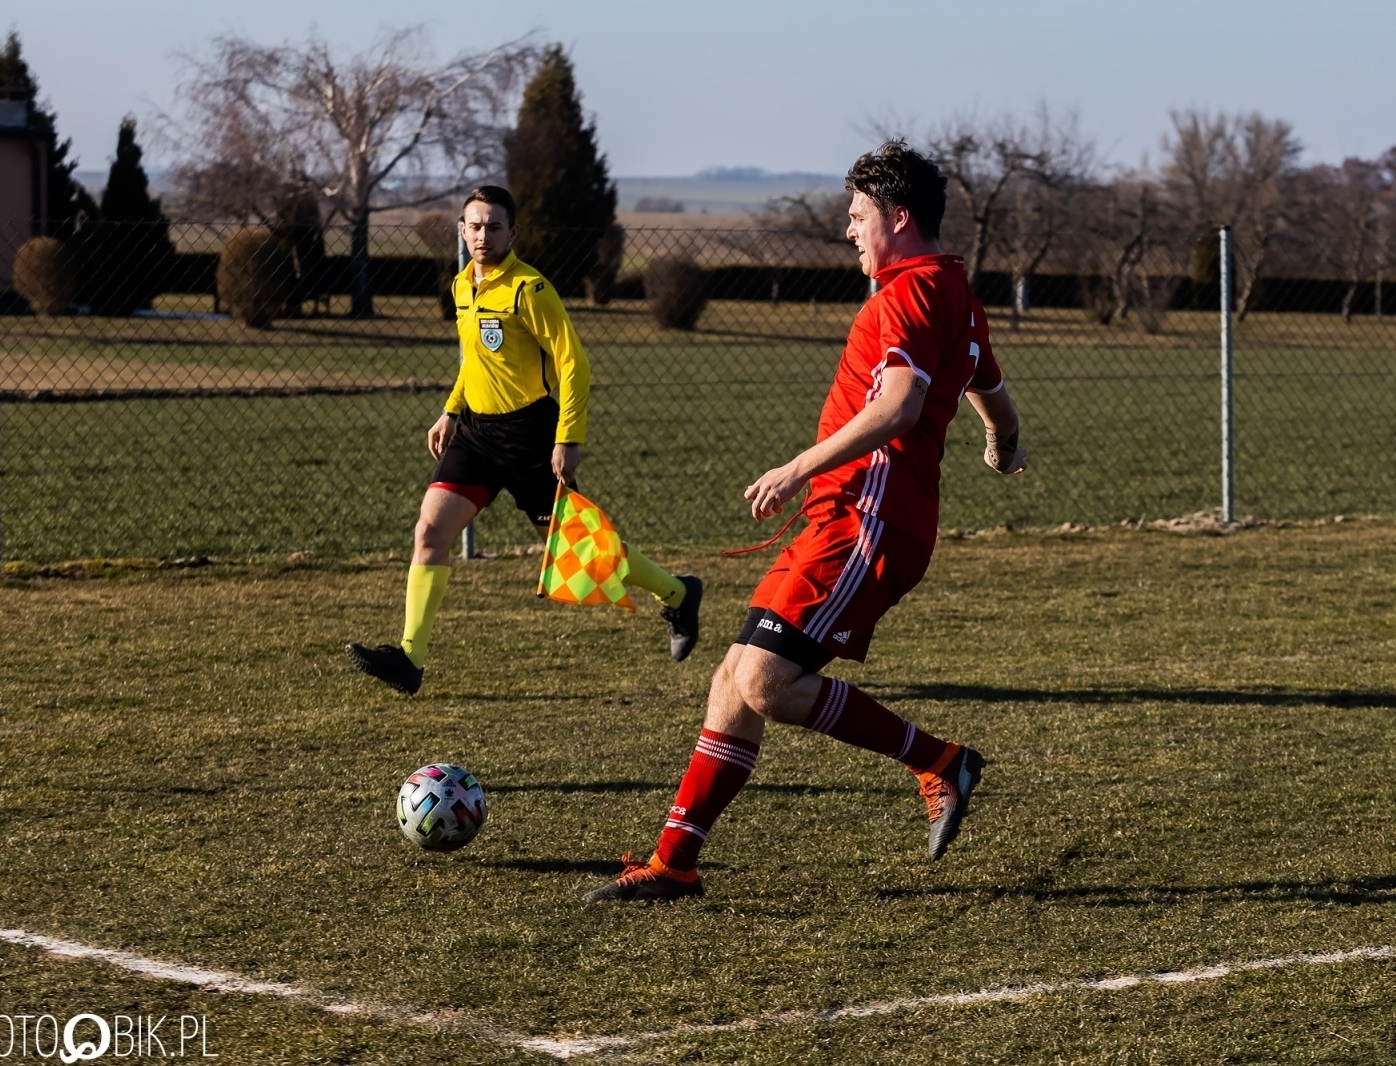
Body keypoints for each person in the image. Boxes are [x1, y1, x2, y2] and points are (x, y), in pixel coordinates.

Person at [582, 141, 1027, 902]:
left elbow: (899, 407)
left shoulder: (908, 292)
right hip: (850, 518)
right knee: (732, 677)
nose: (849, 231)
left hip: (868, 520)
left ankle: (939, 761)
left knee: (764, 680)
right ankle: (674, 862)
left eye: (858, 217)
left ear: (899, 216)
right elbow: (993, 390)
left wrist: (797, 467)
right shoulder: (954, 290)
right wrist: (1002, 443)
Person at [347, 185, 702, 696]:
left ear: (513, 232)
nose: (483, 235)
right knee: (429, 532)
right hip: (474, 434)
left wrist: (568, 436)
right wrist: (450, 410)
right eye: (475, 225)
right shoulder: (461, 286)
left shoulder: (529, 290)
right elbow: (474, 360)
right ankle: (409, 658)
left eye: (494, 226)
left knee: (584, 554)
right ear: (462, 231)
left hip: (531, 436)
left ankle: (677, 591)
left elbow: (573, 362)